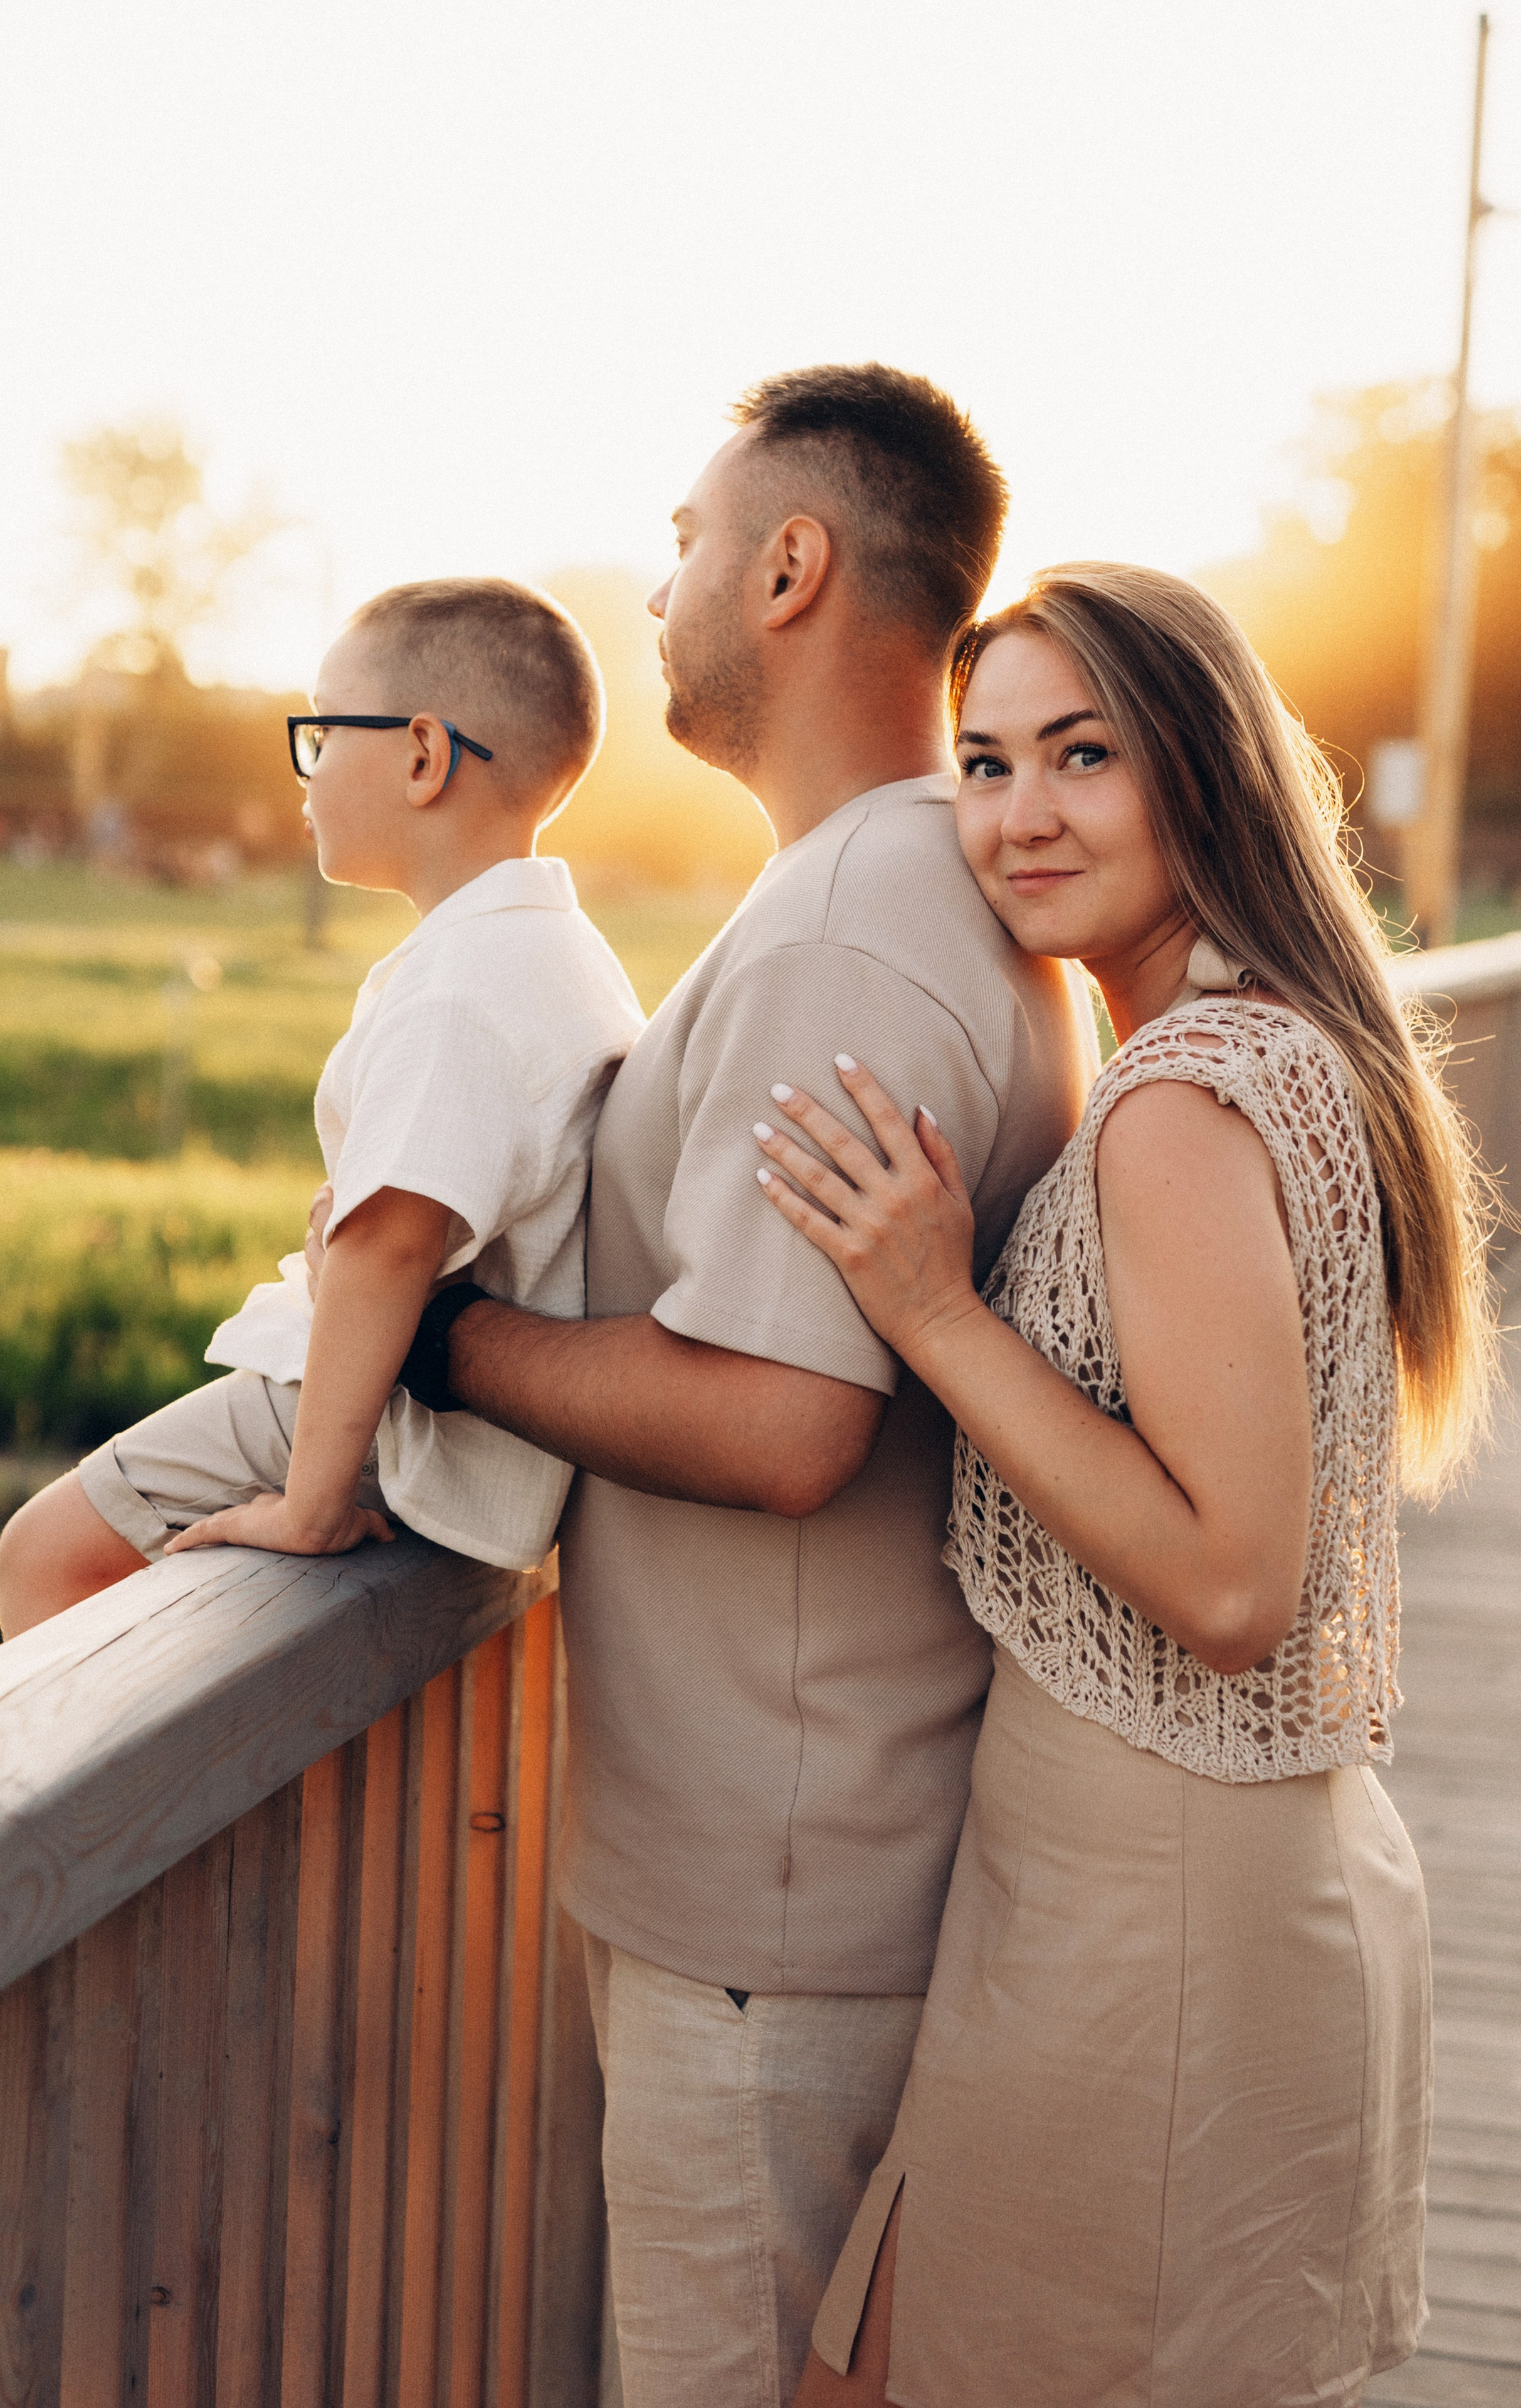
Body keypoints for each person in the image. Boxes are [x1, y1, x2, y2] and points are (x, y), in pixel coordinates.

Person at [365, 367, 1100, 2405]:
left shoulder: (855, 922)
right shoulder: (904, 886)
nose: (665, 577)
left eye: (688, 538)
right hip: (815, 1859)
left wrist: (432, 1336)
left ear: (792, 568)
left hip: (777, 1911)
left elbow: (781, 1420)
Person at [751, 563, 1499, 2407]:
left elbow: (1235, 1585)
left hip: (1154, 1910)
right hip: (1194, 1874)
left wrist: (929, 1305)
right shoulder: (1280, 1045)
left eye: (1081, 756)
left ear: (1202, 768)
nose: (1019, 817)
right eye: (986, 764)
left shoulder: (1182, 1103)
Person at [0, 579, 643, 1638]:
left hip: (370, 1414)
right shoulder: (556, 952)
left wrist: (307, 1506)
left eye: (319, 733)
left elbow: (390, 1246)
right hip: (428, 1410)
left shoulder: (460, 993)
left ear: (422, 757)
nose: (301, 774)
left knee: (44, 1557)